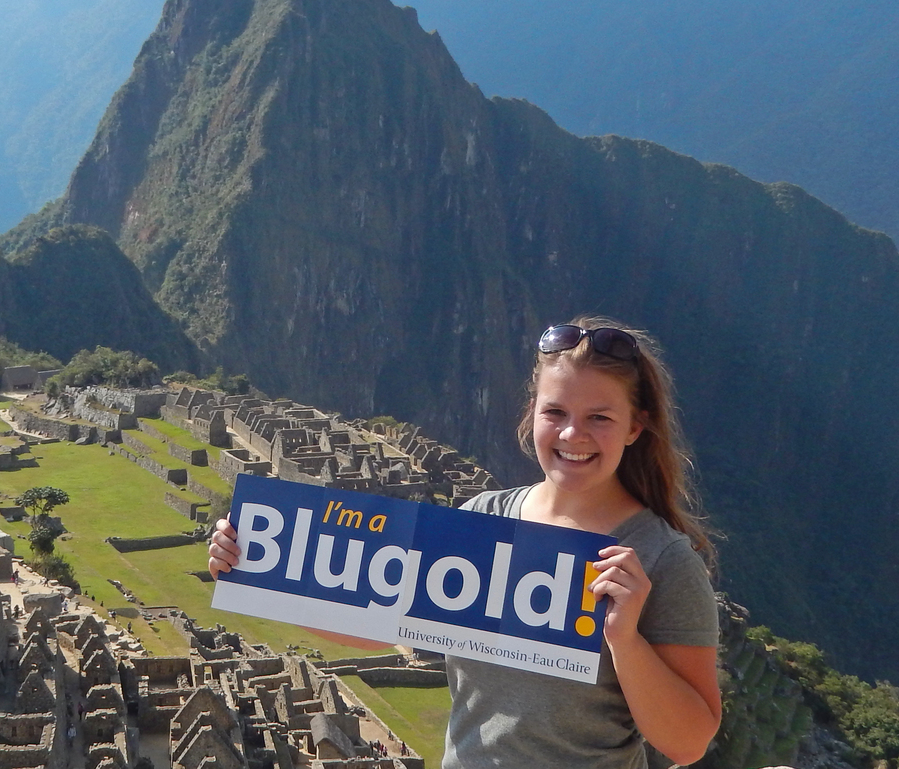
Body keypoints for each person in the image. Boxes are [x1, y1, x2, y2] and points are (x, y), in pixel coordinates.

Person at [206, 317, 721, 767]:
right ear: (532, 414)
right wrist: (258, 569)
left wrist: (624, 640)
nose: (572, 435)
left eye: (599, 418)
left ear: (636, 426)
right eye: (556, 413)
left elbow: (688, 742)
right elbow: (382, 623)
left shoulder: (660, 561)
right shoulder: (483, 522)